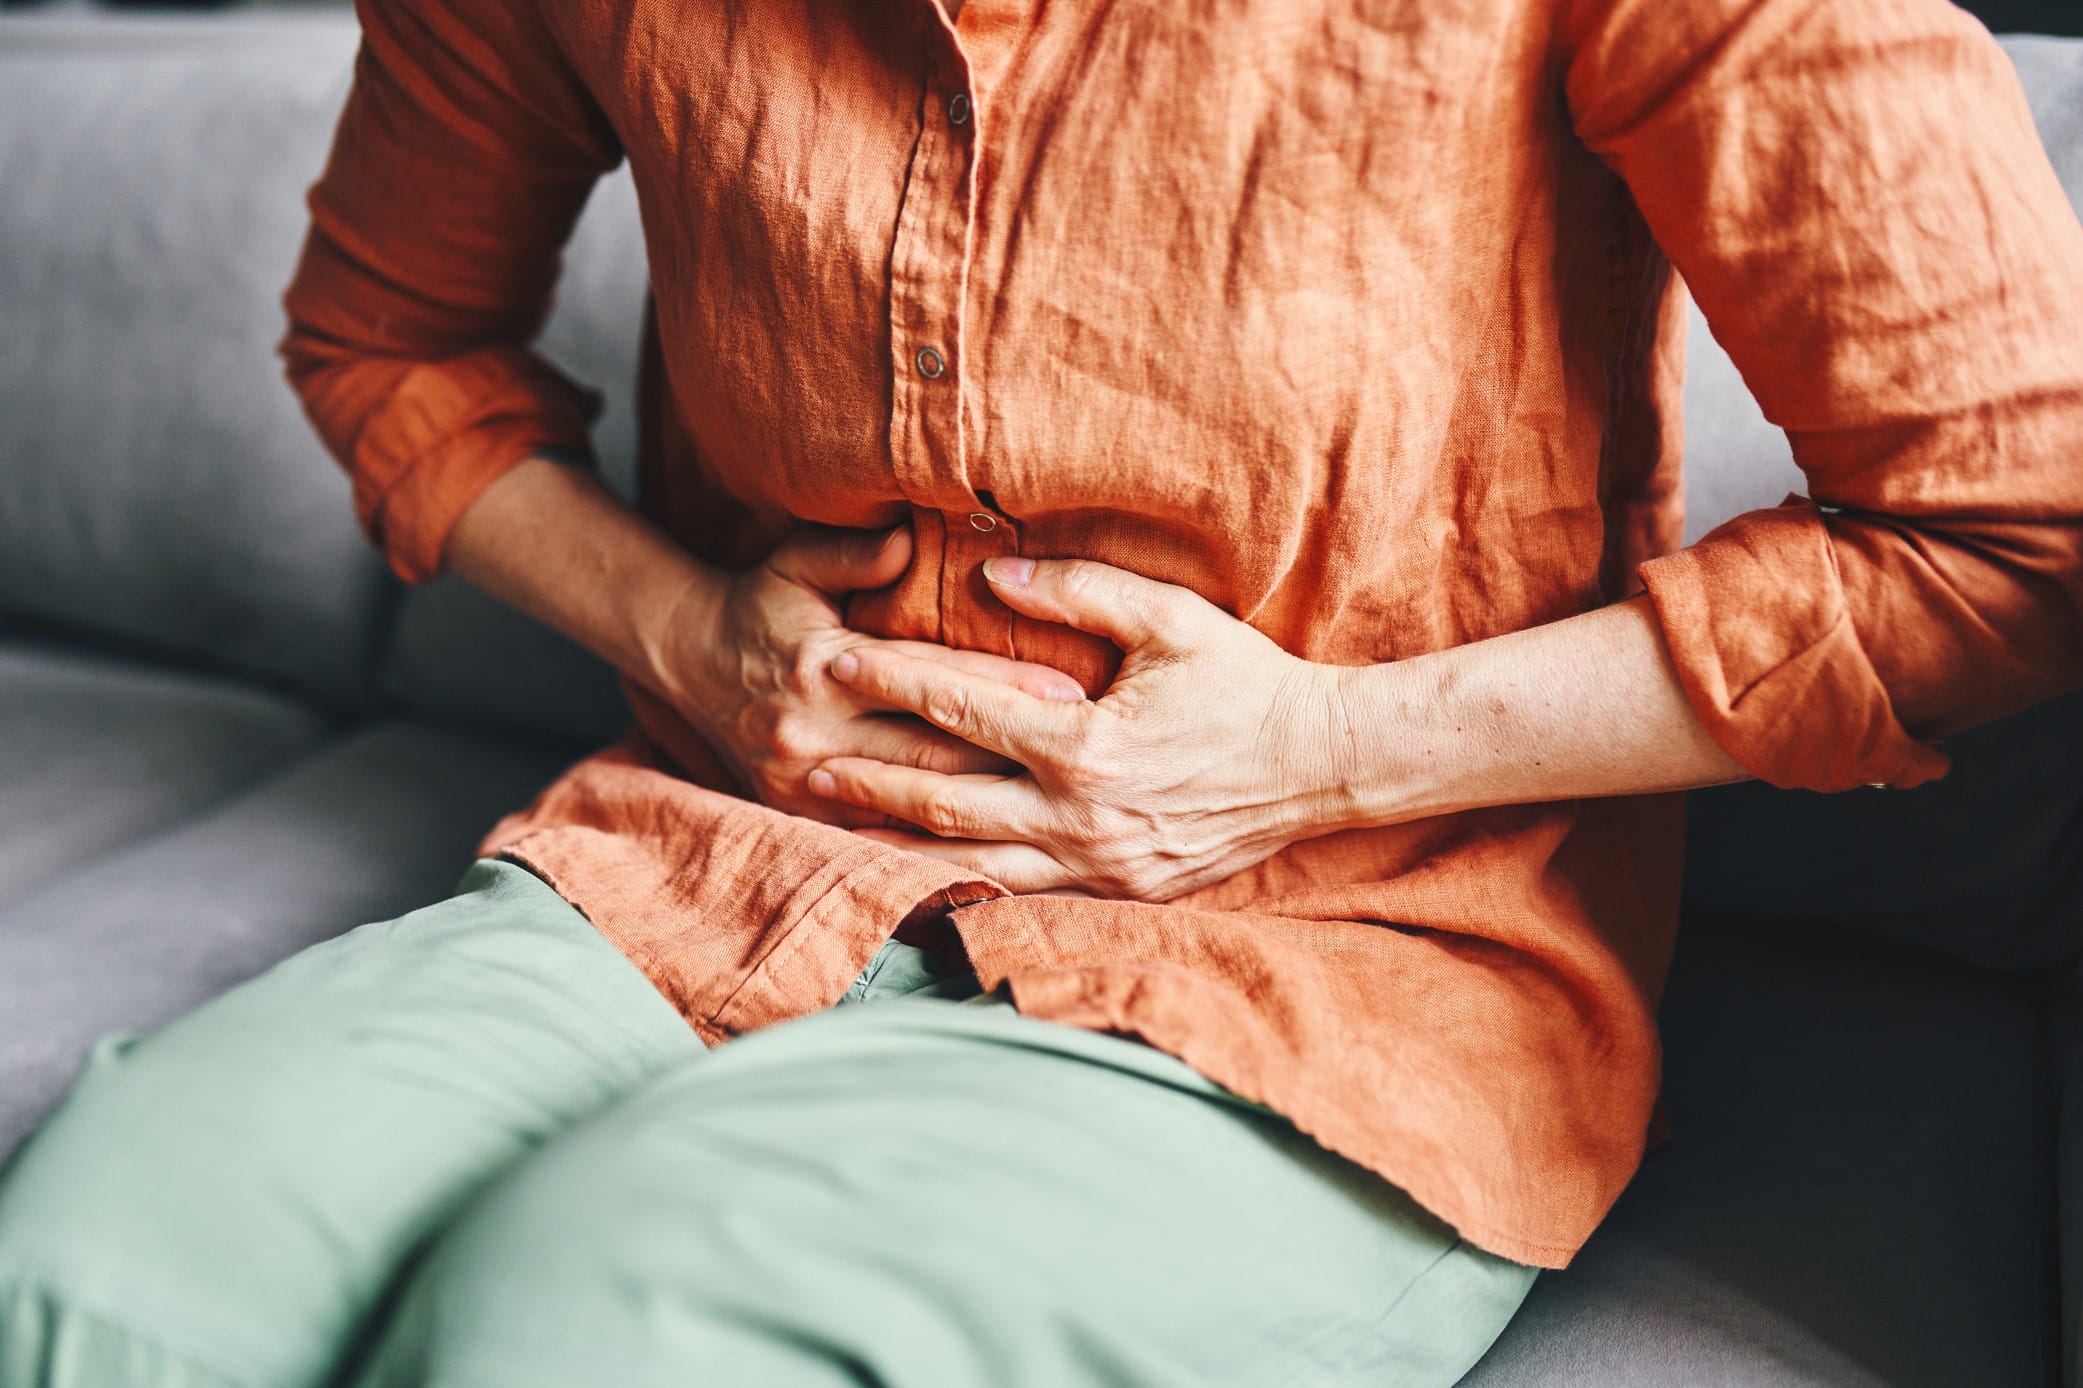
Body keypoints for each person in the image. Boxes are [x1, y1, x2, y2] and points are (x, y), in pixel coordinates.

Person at [2, 0, 2080, 1382]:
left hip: (1339, 945)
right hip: (715, 854)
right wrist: (683, 635)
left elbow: (2012, 532)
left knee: (591, 1326)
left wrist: (1317, 752)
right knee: (91, 1266)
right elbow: (388, 345)